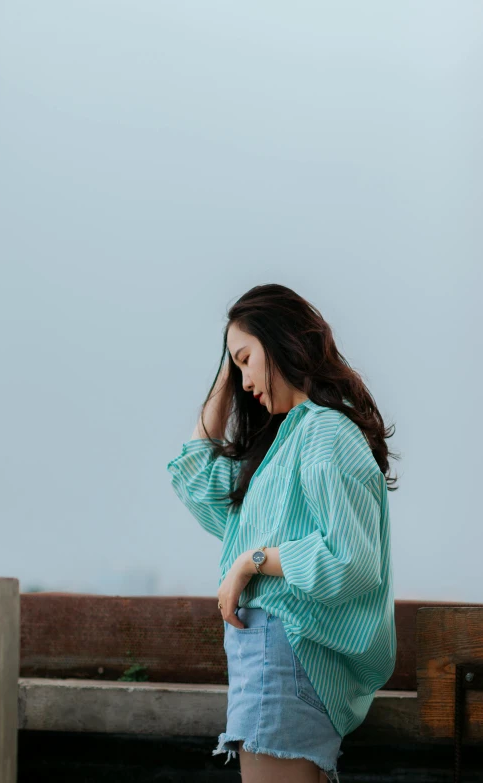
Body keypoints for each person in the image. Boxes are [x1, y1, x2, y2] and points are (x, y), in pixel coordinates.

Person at [166, 283, 399, 783]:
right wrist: (229, 372)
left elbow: (351, 560)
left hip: (280, 658)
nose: (243, 378)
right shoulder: (282, 445)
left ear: (280, 341)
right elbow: (193, 477)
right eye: (235, 366)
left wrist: (250, 563)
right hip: (276, 659)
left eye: (246, 359)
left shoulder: (323, 432)